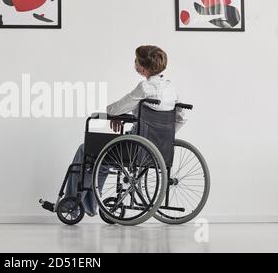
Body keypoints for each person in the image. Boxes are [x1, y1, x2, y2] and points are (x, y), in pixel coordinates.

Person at [64, 45, 186, 216]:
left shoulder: (145, 87)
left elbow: (117, 108)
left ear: (143, 68)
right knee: (103, 163)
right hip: (158, 149)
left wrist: (110, 114)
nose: (134, 63)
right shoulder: (170, 89)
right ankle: (90, 205)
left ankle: (72, 205)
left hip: (134, 148)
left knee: (86, 150)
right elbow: (181, 118)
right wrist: (162, 137)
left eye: (136, 60)